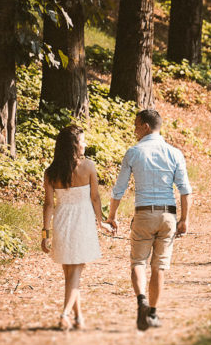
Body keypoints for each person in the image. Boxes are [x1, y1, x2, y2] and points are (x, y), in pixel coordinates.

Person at [107, 108, 192, 331]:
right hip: (167, 215)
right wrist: (184, 219)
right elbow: (185, 190)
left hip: (143, 214)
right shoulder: (174, 153)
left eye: (136, 125)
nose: (134, 130)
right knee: (159, 267)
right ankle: (152, 314)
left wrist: (112, 216)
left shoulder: (133, 152)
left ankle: (141, 302)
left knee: (138, 262)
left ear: (145, 126)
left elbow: (119, 190)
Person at [40, 124, 104, 331]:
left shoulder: (50, 172)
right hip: (82, 220)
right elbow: (95, 197)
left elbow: (48, 204)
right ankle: (65, 314)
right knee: (75, 270)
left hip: (61, 220)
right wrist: (100, 221)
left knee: (70, 271)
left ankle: (78, 317)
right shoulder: (88, 167)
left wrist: (45, 233)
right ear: (74, 145)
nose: (85, 144)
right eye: (82, 140)